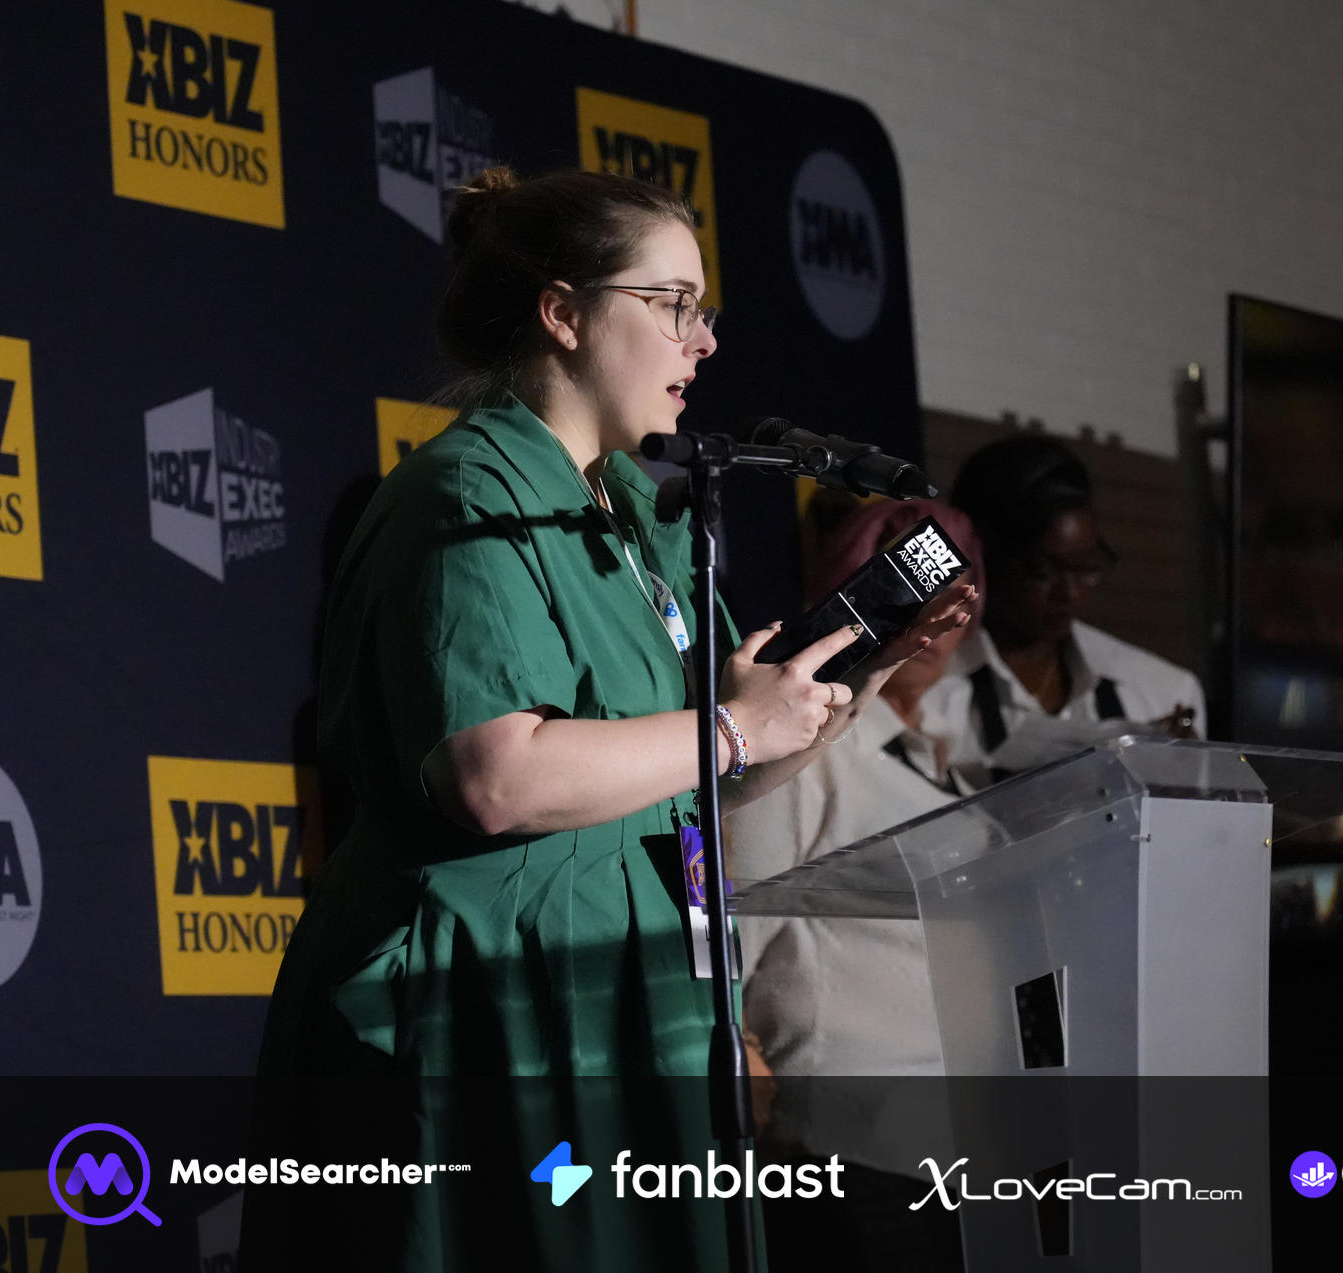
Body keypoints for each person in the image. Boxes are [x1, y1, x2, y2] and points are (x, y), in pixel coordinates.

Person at [249, 167, 970, 1270]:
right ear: (563, 312)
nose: (704, 341)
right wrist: (731, 728)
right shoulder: (467, 491)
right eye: (672, 304)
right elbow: (496, 776)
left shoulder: (640, 513)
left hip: (627, 1001)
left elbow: (709, 770)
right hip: (491, 1010)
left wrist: (862, 673)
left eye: (703, 310)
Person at [725, 498, 985, 1273]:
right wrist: (735, 1044)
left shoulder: (949, 756)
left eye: (953, 598)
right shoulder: (806, 738)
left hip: (954, 1148)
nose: (930, 622)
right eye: (906, 592)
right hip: (846, 1142)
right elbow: (742, 910)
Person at [928, 434, 1205, 775]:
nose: (1070, 593)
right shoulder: (927, 693)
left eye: (1087, 567)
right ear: (982, 556)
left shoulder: (1161, 690)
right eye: (1042, 570)